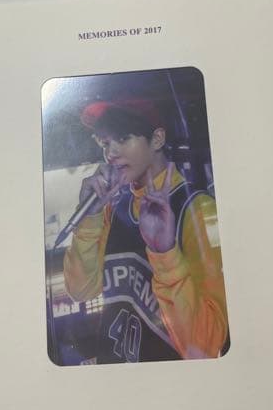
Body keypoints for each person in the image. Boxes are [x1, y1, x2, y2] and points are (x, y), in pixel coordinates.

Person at [63, 98, 229, 363]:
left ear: (157, 139)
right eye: (105, 143)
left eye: (123, 138)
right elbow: (81, 291)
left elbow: (205, 346)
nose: (111, 153)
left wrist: (165, 254)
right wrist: (90, 218)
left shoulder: (199, 210)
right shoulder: (114, 204)